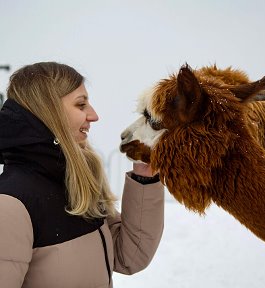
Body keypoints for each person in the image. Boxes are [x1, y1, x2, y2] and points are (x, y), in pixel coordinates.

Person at [0, 62, 164, 288]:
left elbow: (129, 256)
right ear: (49, 111)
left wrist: (144, 176)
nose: (94, 115)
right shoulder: (10, 204)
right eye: (81, 105)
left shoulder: (77, 182)